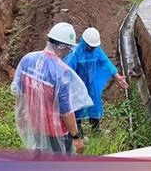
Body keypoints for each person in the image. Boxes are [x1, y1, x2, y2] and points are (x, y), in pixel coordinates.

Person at [10, 22, 93, 154]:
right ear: (63, 47)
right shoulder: (61, 72)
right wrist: (76, 137)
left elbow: (20, 92)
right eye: (69, 48)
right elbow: (66, 111)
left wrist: (23, 117)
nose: (69, 52)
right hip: (57, 131)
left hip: (35, 124)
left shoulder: (27, 60)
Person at [65, 27, 128, 136]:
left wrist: (117, 76)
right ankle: (78, 132)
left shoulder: (97, 51)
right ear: (84, 42)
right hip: (78, 85)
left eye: (94, 46)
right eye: (91, 46)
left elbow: (106, 62)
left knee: (94, 105)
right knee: (78, 106)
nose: (92, 48)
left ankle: (96, 129)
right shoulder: (76, 53)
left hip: (91, 84)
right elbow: (68, 70)